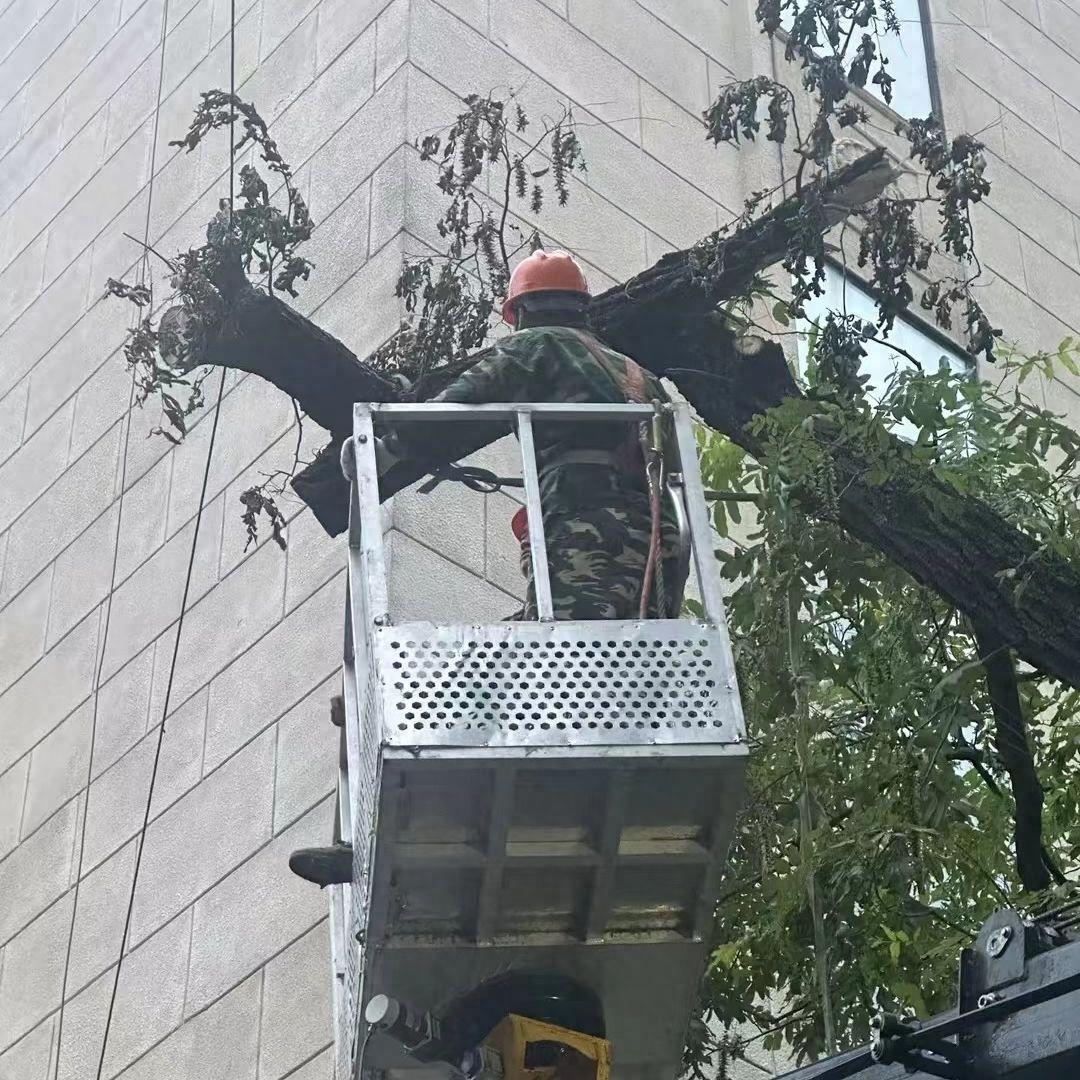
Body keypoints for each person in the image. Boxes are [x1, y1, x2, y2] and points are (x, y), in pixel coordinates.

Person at [289, 248, 683, 887]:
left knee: (431, 685)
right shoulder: (643, 380)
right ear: (583, 305)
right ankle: (378, 791)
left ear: (520, 311)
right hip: (646, 590)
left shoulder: (542, 349)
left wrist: (378, 450)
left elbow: (461, 404)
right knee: (494, 675)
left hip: (579, 583)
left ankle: (366, 834)